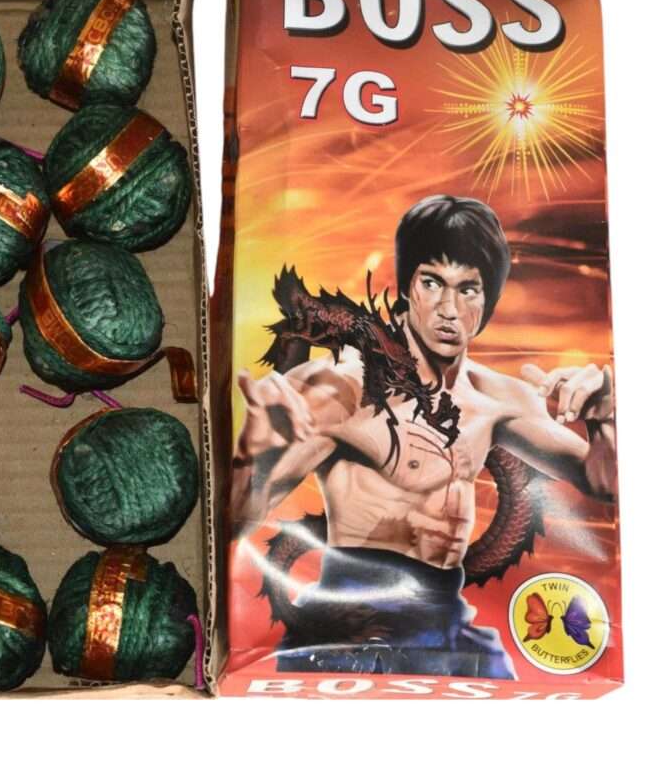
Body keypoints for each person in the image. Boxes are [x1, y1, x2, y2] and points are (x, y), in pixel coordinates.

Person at [231, 194, 616, 678]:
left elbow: (604, 484)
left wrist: (604, 418)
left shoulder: (498, 398)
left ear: (488, 300)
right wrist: (253, 452)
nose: (448, 310)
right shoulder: (341, 388)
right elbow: (237, 520)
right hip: (351, 622)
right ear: (407, 286)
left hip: (448, 618)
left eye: (468, 289)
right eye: (432, 282)